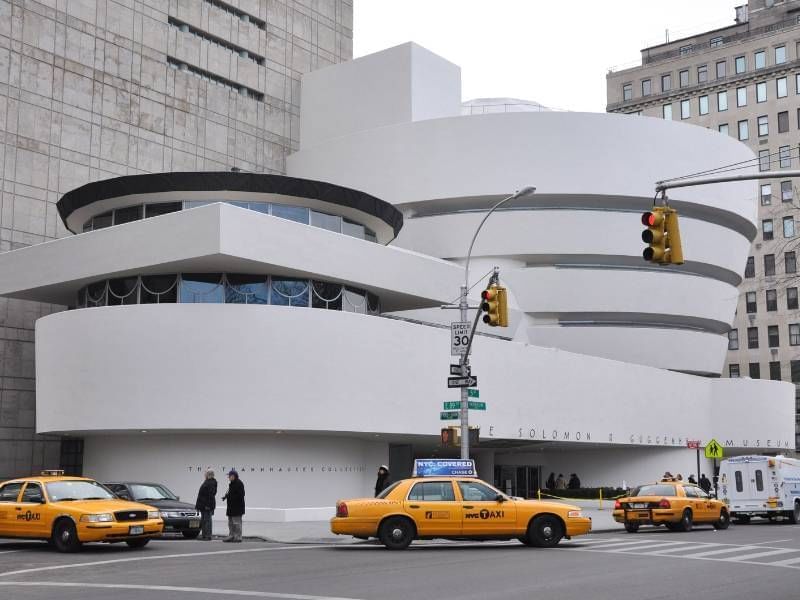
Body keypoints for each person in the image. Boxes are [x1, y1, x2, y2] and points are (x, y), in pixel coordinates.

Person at [222, 469, 245, 543]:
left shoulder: (239, 483)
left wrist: (231, 497)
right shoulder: (232, 483)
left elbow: (241, 495)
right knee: (230, 523)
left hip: (237, 507)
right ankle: (231, 535)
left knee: (237, 523)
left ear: (233, 476)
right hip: (231, 507)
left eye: (229, 476)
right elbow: (230, 493)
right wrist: (226, 497)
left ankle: (238, 537)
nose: (228, 477)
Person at [195, 468, 217, 541]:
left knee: (207, 520)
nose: (204, 475)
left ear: (208, 475)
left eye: (205, 474)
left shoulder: (211, 483)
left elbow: (211, 495)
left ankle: (208, 536)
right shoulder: (208, 482)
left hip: (207, 505)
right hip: (203, 505)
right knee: (204, 520)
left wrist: (208, 505)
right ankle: (204, 535)